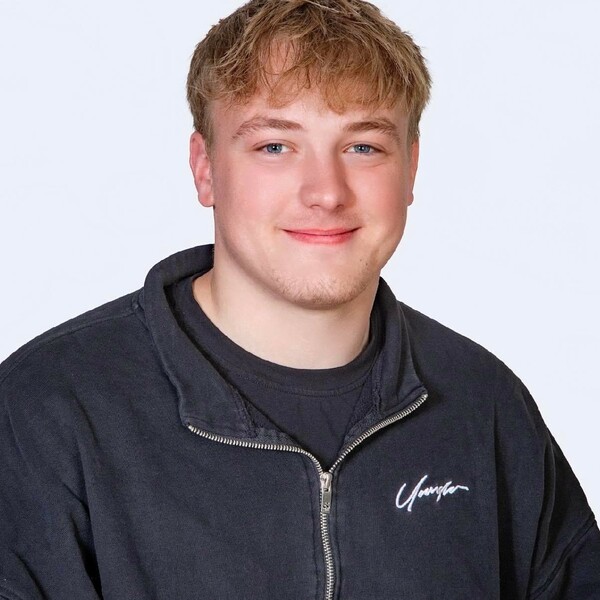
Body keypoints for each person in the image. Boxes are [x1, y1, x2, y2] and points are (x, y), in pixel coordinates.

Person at [1, 0, 599, 598]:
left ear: (411, 168)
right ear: (205, 168)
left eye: (363, 147)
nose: (326, 193)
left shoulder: (484, 403)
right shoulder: (45, 411)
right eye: (275, 146)